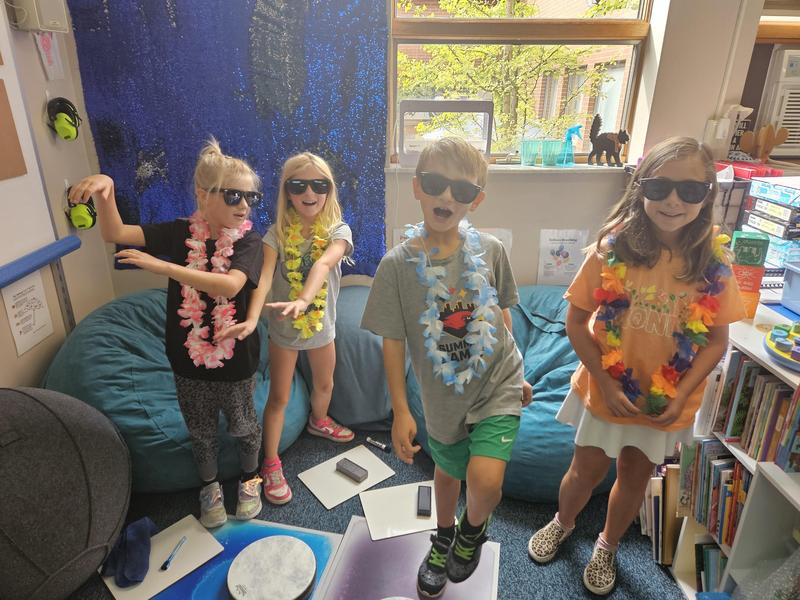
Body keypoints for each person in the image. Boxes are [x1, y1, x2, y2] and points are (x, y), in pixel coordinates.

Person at [526, 137, 745, 595]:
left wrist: (682, 394)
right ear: (640, 187)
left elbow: (717, 341)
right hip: (607, 390)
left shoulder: (716, 265)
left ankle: (607, 545)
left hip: (664, 402)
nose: (672, 201)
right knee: (583, 471)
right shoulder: (612, 251)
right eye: (661, 186)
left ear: (708, 194)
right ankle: (563, 522)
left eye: (690, 190)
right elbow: (576, 320)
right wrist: (605, 383)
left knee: (633, 476)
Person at [361, 137, 533, 598]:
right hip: (441, 397)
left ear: (476, 199)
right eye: (436, 184)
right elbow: (392, 343)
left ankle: (472, 530)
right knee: (448, 471)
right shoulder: (396, 266)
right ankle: (443, 536)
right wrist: (400, 409)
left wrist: (519, 372)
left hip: (497, 383)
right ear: (417, 187)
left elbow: (501, 314)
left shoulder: (491, 250)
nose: (446, 198)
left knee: (485, 480)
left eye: (461, 190)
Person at [68, 139, 266, 528]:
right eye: (233, 195)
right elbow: (116, 233)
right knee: (201, 430)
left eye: (250, 197)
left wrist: (164, 269)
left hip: (235, 356)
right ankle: (208, 487)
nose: (244, 205)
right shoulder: (180, 234)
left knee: (244, 425)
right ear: (203, 195)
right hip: (187, 358)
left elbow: (228, 286)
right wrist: (106, 190)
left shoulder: (248, 241)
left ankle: (249, 478)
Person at [220, 152, 354, 505]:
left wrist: (306, 299)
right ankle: (271, 462)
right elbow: (262, 281)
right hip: (284, 329)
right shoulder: (276, 235)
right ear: (288, 192)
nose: (309, 193)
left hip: (321, 325)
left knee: (325, 383)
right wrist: (251, 320)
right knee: (278, 398)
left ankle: (318, 421)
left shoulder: (339, 230)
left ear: (329, 190)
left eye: (319, 185)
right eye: (299, 185)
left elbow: (325, 263)